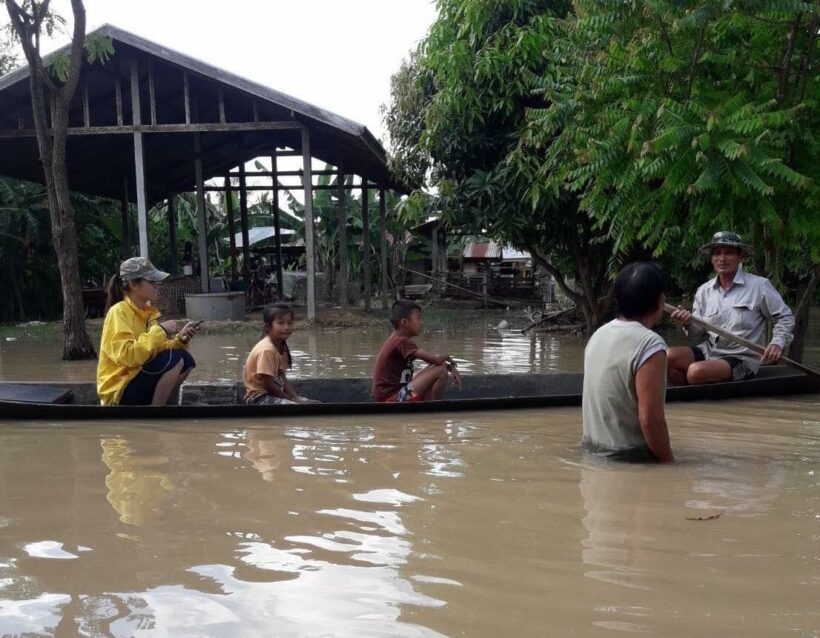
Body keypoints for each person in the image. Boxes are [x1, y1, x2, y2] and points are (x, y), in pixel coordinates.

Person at [667, 231, 794, 385]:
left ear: (740, 257)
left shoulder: (759, 286)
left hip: (742, 359)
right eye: (717, 253)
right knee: (665, 358)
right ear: (711, 259)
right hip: (708, 352)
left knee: (696, 372)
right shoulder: (704, 291)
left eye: (729, 253)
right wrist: (687, 323)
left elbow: (785, 317)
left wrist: (777, 343)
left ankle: (698, 381)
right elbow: (697, 336)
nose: (722, 258)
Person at [582, 261, 673, 463]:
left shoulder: (599, 334)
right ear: (660, 301)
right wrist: (669, 464)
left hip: (591, 452)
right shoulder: (650, 344)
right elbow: (650, 420)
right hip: (629, 458)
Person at [97, 257, 198, 406]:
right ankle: (156, 413)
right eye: (151, 281)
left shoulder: (147, 313)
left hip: (137, 379)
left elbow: (156, 350)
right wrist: (161, 330)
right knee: (175, 358)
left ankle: (167, 405)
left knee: (186, 359)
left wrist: (180, 340)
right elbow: (128, 356)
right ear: (133, 284)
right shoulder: (118, 312)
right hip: (119, 390)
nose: (157, 284)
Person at [372, 299, 461, 402]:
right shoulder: (401, 341)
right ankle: (435, 413)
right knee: (440, 371)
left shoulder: (396, 339)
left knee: (436, 367)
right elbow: (436, 359)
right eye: (418, 318)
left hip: (398, 394)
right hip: (392, 400)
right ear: (405, 322)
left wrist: (449, 367)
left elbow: (435, 362)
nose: (421, 322)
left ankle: (428, 405)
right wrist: (448, 359)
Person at [243, 303, 317, 405]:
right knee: (295, 406)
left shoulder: (281, 347)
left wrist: (295, 397)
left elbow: (282, 378)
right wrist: (292, 400)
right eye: (280, 323)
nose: (286, 327)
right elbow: (268, 385)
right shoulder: (266, 349)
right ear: (268, 326)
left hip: (273, 395)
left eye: (290, 323)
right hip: (258, 398)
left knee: (313, 403)